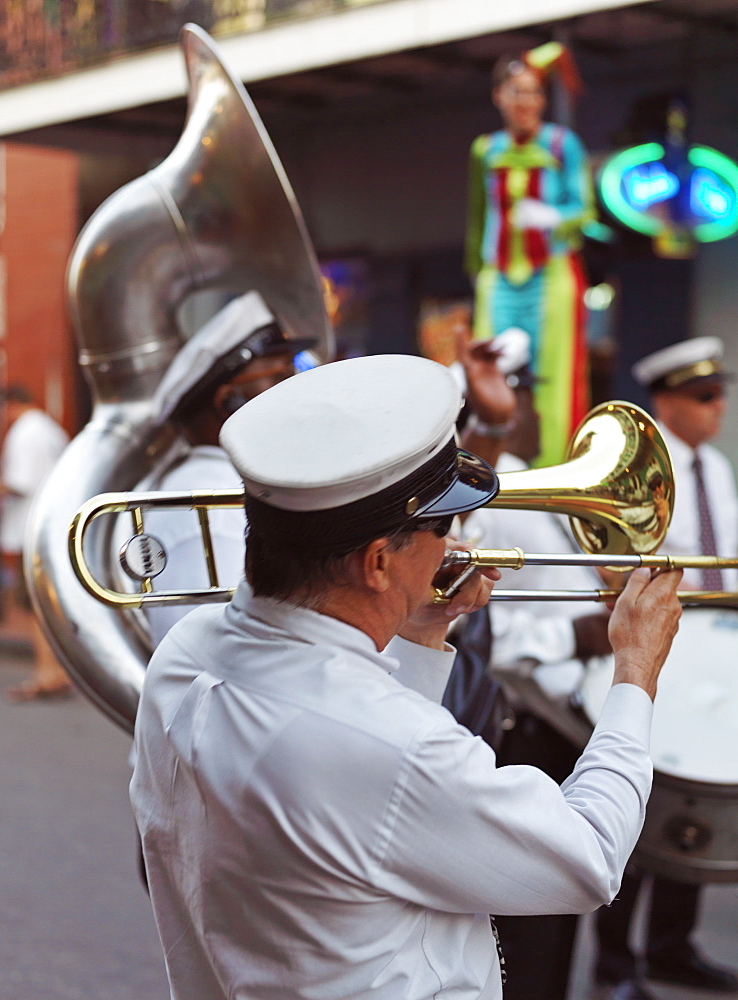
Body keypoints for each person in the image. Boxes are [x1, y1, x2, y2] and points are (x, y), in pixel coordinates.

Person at [130, 352, 683, 1000]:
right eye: (440, 527)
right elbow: (586, 858)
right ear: (376, 563)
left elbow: (365, 806)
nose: (451, 547)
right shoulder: (386, 743)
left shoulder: (186, 652)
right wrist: (635, 669)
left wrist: (419, 632)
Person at [449, 328, 613, 1000]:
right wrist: (577, 634)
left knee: (549, 928)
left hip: (561, 712)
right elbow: (467, 614)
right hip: (520, 722)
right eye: (524, 393)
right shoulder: (499, 491)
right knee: (528, 929)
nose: (535, 407)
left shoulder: (524, 480)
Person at [594, 335, 738, 1000]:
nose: (717, 408)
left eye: (719, 395)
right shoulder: (645, 475)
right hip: (659, 645)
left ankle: (669, 947)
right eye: (702, 397)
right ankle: (613, 961)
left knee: (694, 793)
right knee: (641, 799)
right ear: (665, 401)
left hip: (713, 643)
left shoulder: (716, 470)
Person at [137, 290, 317, 646]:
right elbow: (205, 659)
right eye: (281, 373)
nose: (297, 387)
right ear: (228, 402)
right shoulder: (206, 509)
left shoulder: (234, 486)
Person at [464, 42, 595, 467]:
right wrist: (478, 272)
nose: (527, 102)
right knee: (491, 372)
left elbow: (586, 212)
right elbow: (477, 220)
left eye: (535, 92)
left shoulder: (562, 144)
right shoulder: (486, 150)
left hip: (549, 277)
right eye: (517, 91)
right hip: (499, 277)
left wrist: (552, 217)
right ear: (498, 96)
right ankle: (490, 465)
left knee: (551, 380)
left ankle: (553, 467)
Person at [0, 384, 71, 701]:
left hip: (31, 528)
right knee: (48, 602)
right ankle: (58, 671)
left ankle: (47, 673)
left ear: (10, 404)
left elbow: (19, 482)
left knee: (36, 604)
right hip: (51, 524)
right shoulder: (48, 428)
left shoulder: (26, 432)